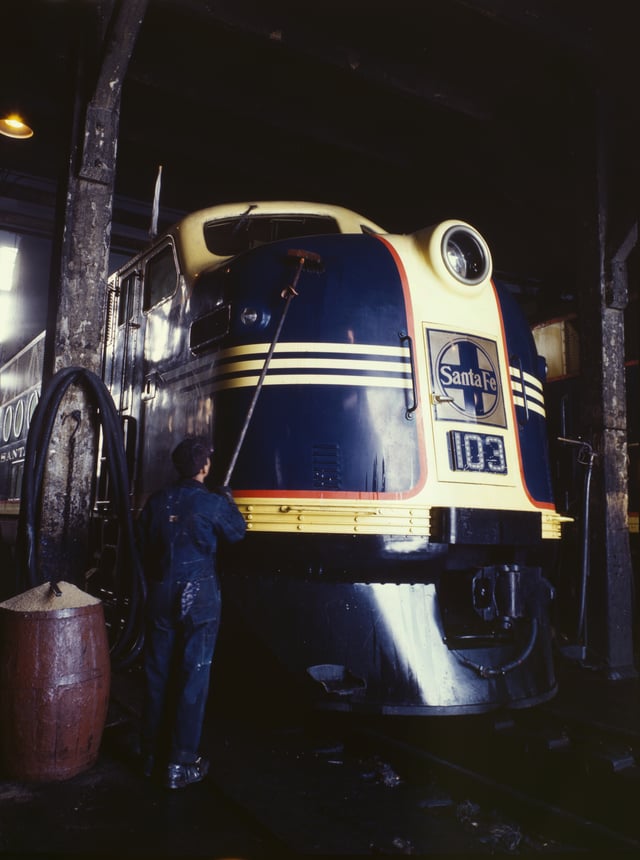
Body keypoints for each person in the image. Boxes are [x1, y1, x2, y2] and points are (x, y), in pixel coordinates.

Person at [136, 436, 246, 789]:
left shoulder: (156, 502)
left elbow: (142, 544)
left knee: (156, 675)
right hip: (198, 597)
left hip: (160, 594)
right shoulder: (210, 503)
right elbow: (237, 533)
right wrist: (227, 501)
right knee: (192, 678)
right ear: (204, 467)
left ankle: (150, 757)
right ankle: (180, 764)